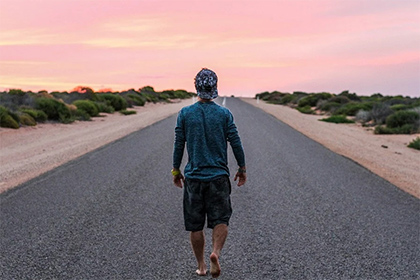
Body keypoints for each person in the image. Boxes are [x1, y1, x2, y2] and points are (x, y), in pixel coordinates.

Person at [172, 68, 247, 278]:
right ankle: (216, 252)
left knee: (195, 225)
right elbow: (235, 142)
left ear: (196, 87)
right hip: (218, 177)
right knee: (221, 219)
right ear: (214, 87)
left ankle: (202, 266)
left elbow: (179, 143)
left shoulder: (185, 113)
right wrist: (242, 168)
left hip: (194, 178)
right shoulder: (224, 114)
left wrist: (176, 169)